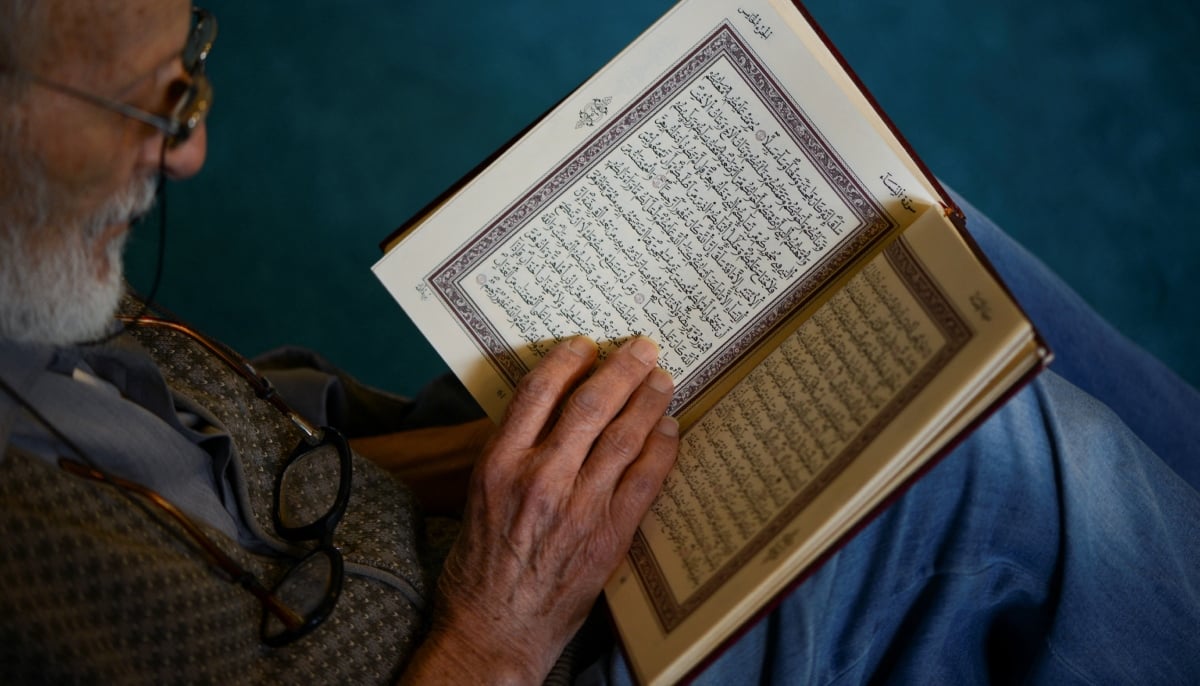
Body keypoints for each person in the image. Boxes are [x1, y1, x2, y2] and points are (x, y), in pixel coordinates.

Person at [0, 2, 1196, 684]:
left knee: (913, 245)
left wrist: (524, 465)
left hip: (432, 526)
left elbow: (248, 466)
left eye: (191, 68)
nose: (189, 146)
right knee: (988, 466)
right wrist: (502, 624)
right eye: (155, 101)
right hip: (505, 646)